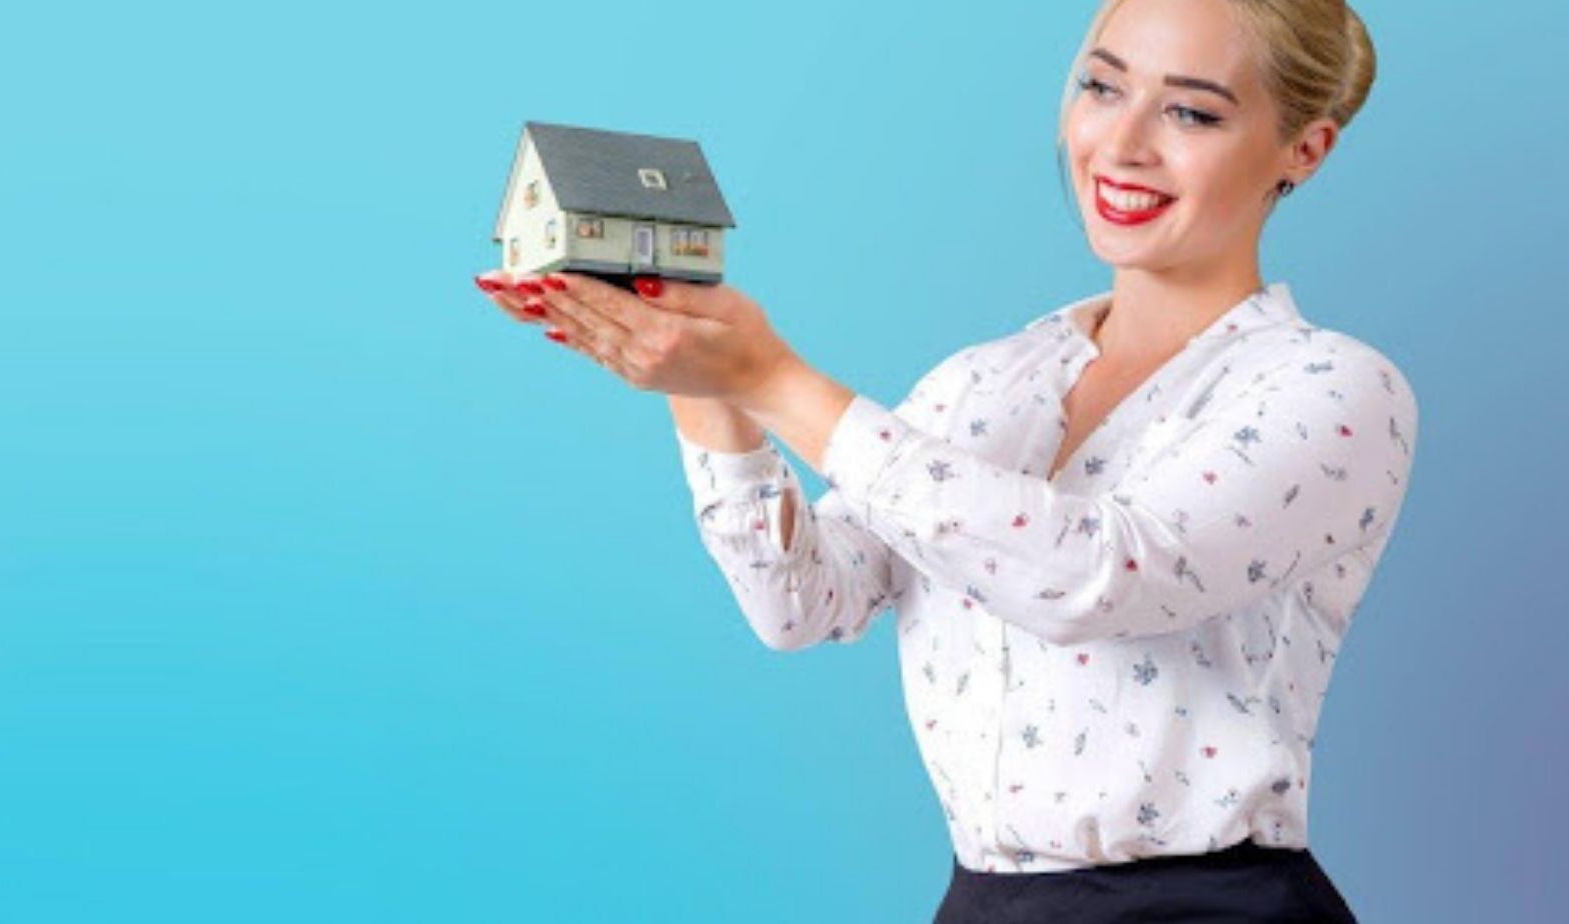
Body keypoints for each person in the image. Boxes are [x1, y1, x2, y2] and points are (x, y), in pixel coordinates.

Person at [475, 0, 1414, 917]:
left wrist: (771, 378)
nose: (1122, 144)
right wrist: (696, 370)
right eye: (1102, 87)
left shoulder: (1332, 389)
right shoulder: (984, 383)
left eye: (1191, 113)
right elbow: (802, 601)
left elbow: (1097, 576)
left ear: (1304, 149)